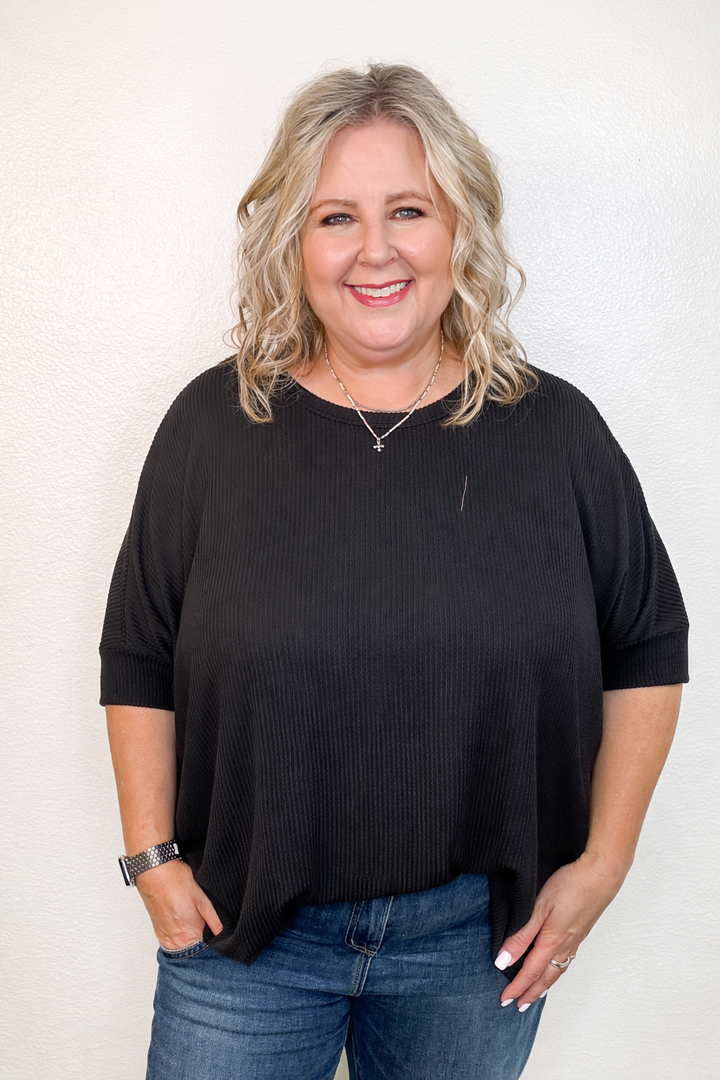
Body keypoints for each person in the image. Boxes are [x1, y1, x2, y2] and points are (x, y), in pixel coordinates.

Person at [100, 64, 688, 1080]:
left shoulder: (556, 431)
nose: (375, 250)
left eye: (408, 210)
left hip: (475, 947)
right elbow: (139, 652)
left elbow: (645, 643)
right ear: (294, 243)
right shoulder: (213, 426)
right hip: (240, 935)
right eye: (336, 217)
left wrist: (606, 863)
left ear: (460, 228)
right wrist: (152, 858)